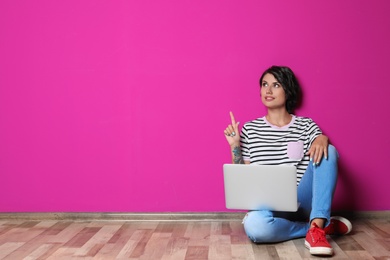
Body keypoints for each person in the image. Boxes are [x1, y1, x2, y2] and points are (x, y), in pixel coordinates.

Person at [223, 65, 352, 256]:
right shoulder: (250, 129)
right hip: (269, 207)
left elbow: (323, 147)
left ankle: (316, 225)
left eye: (275, 85)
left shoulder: (305, 125)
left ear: (288, 90)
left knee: (329, 151)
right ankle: (318, 228)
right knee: (255, 226)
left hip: (302, 200)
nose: (268, 90)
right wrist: (235, 145)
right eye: (265, 84)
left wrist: (321, 138)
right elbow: (243, 178)